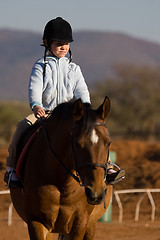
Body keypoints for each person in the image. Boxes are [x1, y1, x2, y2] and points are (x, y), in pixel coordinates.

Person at [4, 17, 125, 188]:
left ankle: (109, 166)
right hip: (46, 113)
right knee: (22, 126)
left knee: (97, 131)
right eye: (58, 43)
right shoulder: (41, 66)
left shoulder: (74, 68)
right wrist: (36, 105)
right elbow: (35, 88)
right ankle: (11, 170)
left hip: (72, 115)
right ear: (47, 43)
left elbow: (82, 90)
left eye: (66, 43)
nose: (63, 47)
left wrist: (86, 109)